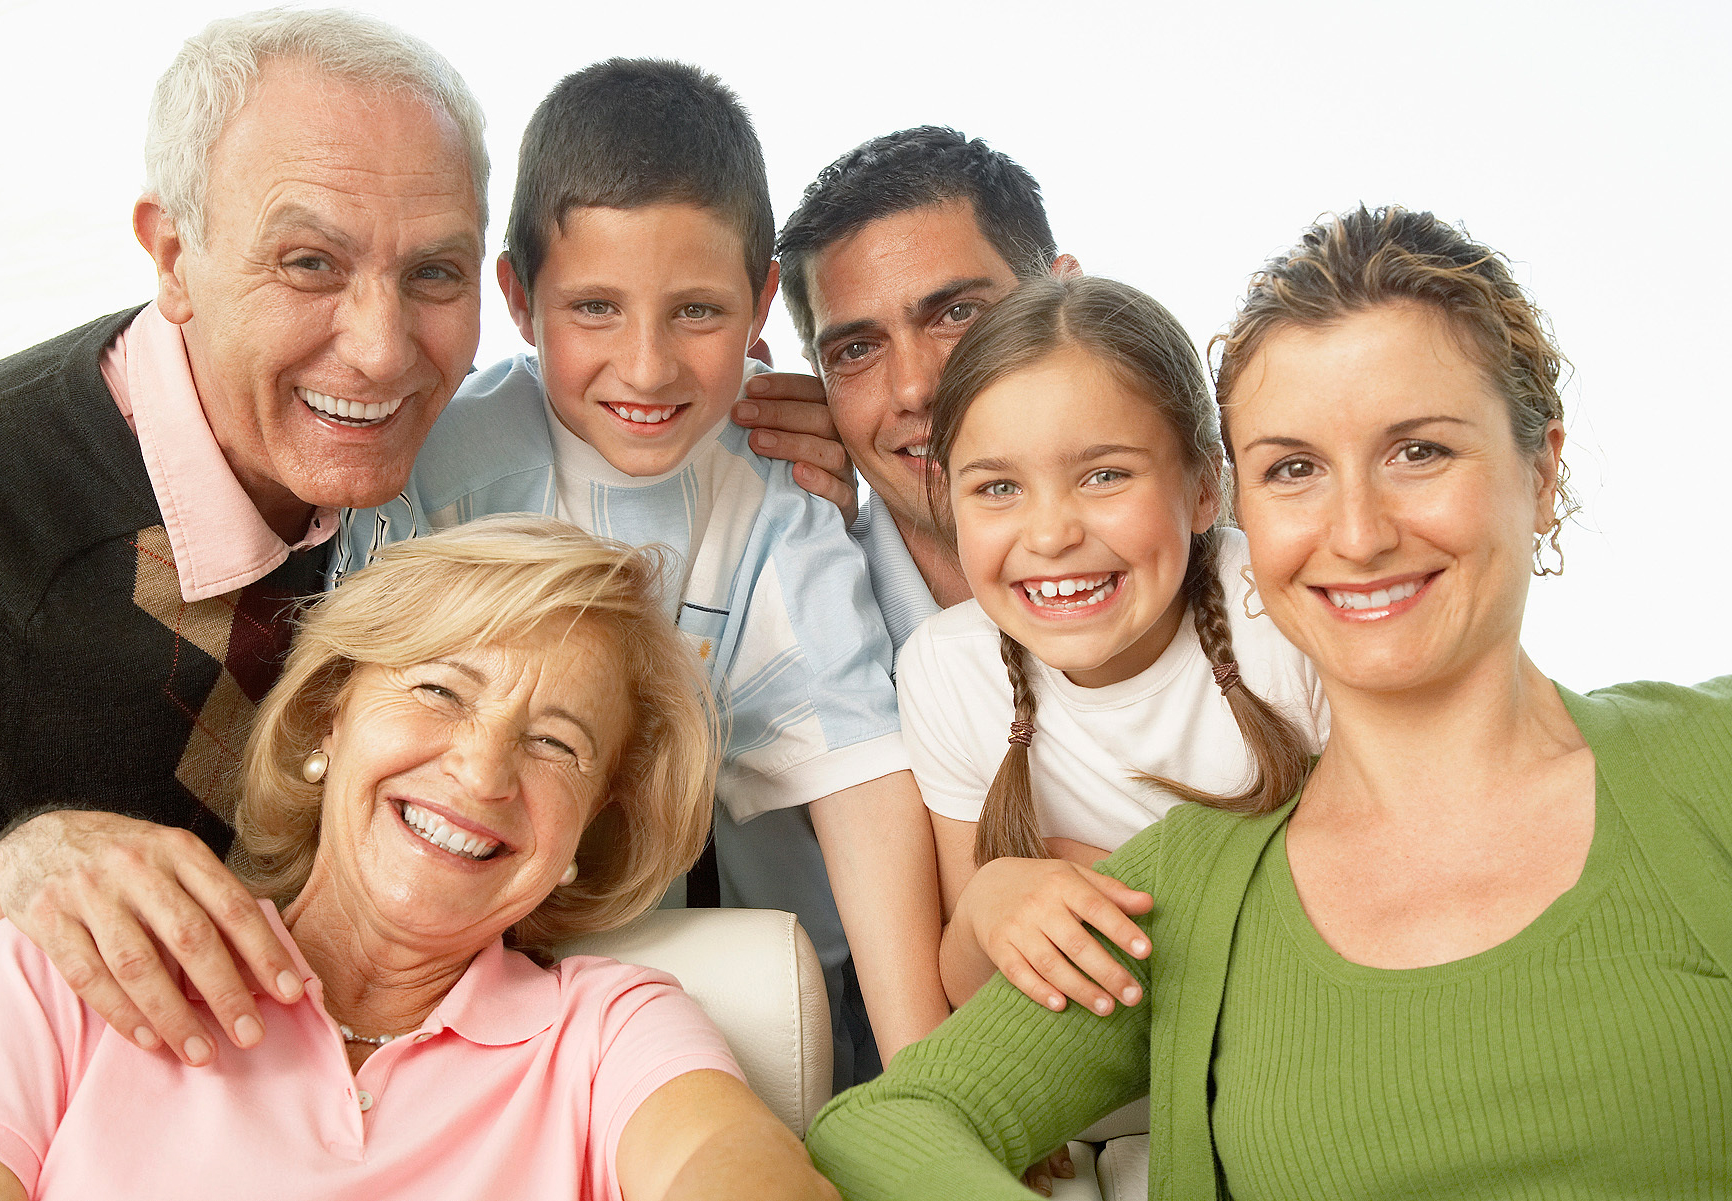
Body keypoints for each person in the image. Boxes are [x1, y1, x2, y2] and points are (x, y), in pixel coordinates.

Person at [805, 206, 1732, 1198]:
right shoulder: (1197, 885)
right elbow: (890, 1122)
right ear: (1247, 501)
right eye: (1294, 469)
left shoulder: (1701, 766)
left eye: (1419, 451)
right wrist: (991, 900)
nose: (1360, 531)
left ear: (1541, 472)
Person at [332, 60, 947, 1087]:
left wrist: (933, 1080)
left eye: (699, 313)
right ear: (520, 300)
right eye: (597, 309)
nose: (650, 367)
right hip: (469, 937)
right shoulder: (437, 469)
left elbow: (861, 776)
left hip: (742, 950)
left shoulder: (778, 479)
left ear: (760, 304)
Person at [0, 515, 840, 1201]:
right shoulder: (66, 963)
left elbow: (734, 1167)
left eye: (556, 744)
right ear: (331, 710)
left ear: (588, 829)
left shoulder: (609, 1031)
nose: (482, 772)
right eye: (440, 688)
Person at [0, 8, 487, 1066]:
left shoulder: (471, 482)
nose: (380, 352)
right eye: (310, 263)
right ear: (174, 257)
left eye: (433, 274)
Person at [903, 276, 1326, 1018]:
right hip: (1097, 1119)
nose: (1051, 533)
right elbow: (975, 998)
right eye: (998, 487)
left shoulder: (1281, 612)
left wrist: (1149, 892)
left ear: (1204, 487)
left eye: (1104, 475)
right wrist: (984, 910)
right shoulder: (946, 668)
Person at [773, 126, 1079, 655]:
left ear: (1068, 294)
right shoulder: (786, 644)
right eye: (856, 350)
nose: (915, 389)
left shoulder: (1248, 571)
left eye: (956, 315)